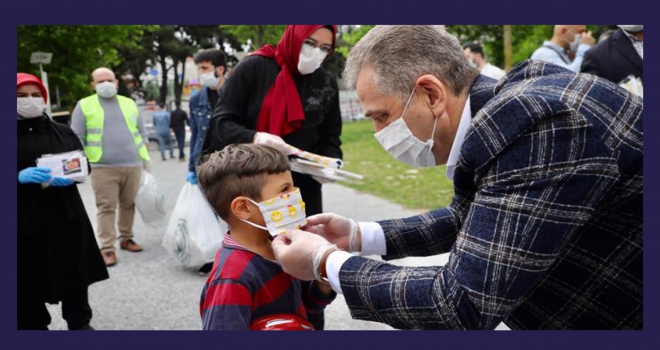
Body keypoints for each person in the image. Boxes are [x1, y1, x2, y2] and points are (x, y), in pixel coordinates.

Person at [272, 25, 643, 330]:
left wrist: (325, 262)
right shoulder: (516, 98)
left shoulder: (534, 123)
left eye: (381, 116)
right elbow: (479, 217)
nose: (377, 132)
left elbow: (459, 303)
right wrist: (359, 236)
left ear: (431, 94)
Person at [201, 25, 343, 329]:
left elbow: (331, 136)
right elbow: (221, 122)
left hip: (298, 187)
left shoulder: (326, 83)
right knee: (259, 260)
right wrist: (256, 137)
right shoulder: (254, 68)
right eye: (310, 43)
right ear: (293, 36)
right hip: (254, 182)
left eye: (325, 48)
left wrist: (329, 164)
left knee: (300, 261)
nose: (316, 52)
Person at [197, 144, 336, 330]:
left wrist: (323, 277)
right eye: (285, 189)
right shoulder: (232, 278)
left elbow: (306, 307)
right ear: (244, 208)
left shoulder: (280, 245)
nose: (295, 195)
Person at [18, 73, 109, 330]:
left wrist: (73, 175)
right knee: (26, 277)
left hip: (65, 216)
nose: (30, 100)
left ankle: (80, 322)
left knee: (73, 271)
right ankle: (32, 325)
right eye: (21, 95)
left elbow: (84, 164)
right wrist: (17, 177)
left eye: (36, 95)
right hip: (23, 222)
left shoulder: (63, 132)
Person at [71, 67, 150, 266]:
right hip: (102, 166)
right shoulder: (84, 105)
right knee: (106, 207)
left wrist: (146, 161)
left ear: (116, 82)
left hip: (132, 163)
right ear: (93, 85)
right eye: (100, 81)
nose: (105, 84)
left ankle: (126, 238)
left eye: (109, 80)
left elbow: (142, 133)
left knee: (129, 204)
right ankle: (107, 248)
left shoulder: (129, 103)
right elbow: (77, 137)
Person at [187, 49, 227, 185]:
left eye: (205, 68)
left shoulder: (234, 94)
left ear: (220, 69)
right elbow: (195, 135)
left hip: (231, 162)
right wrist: (191, 168)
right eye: (199, 69)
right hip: (205, 164)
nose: (201, 73)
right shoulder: (196, 100)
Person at [530, 25, 595, 72]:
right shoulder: (544, 53)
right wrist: (584, 47)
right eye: (580, 32)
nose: (584, 36)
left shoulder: (563, 53)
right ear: (563, 32)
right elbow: (570, 77)